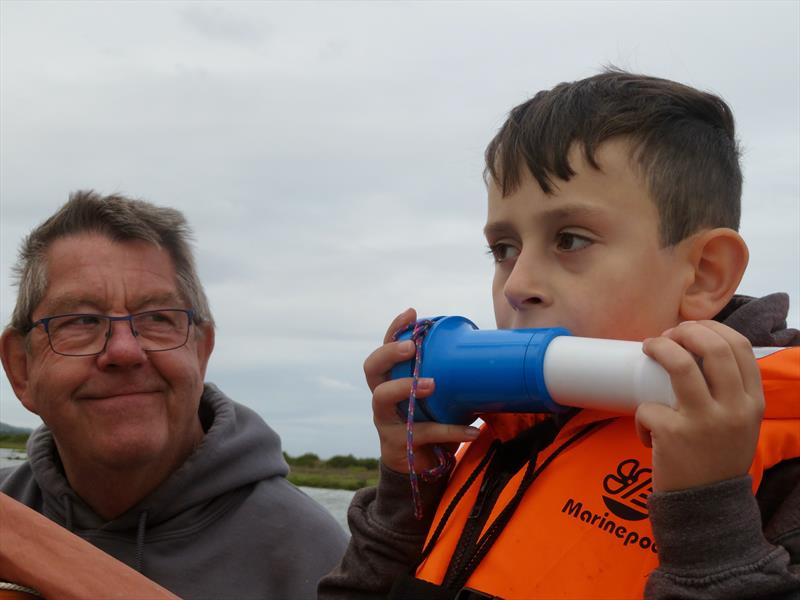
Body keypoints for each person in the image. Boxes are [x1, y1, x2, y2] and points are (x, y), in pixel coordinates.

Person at [319, 70, 800, 599]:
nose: (518, 285)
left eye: (570, 239)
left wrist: (708, 512)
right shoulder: (495, 434)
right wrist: (404, 495)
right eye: (503, 250)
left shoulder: (783, 471)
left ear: (704, 273)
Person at [0, 191, 348, 599]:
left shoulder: (319, 563)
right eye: (81, 320)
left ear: (201, 353)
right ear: (21, 368)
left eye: (157, 319)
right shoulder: (8, 517)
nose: (125, 351)